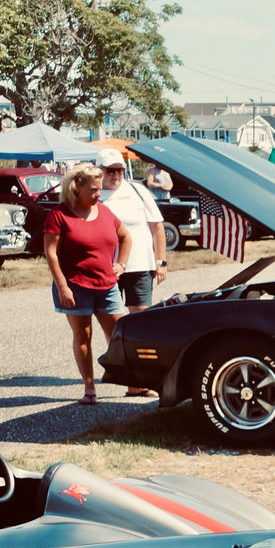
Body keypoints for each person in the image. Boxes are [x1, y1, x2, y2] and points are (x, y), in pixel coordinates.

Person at [43, 163, 131, 405]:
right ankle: (90, 387)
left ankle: (134, 383)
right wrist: (62, 286)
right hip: (75, 286)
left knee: (121, 334)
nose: (98, 194)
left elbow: (125, 237)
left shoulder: (104, 212)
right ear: (75, 188)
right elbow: (51, 253)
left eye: (99, 189)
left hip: (107, 284)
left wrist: (121, 264)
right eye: (93, 190)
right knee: (83, 335)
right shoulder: (59, 214)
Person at [95, 149, 167, 397]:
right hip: (106, 267)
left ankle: (144, 378)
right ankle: (127, 376)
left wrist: (161, 261)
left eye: (120, 170)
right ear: (99, 171)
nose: (116, 175)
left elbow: (157, 228)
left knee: (141, 324)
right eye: (110, 170)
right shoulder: (92, 194)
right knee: (114, 326)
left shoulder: (138, 190)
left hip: (139, 266)